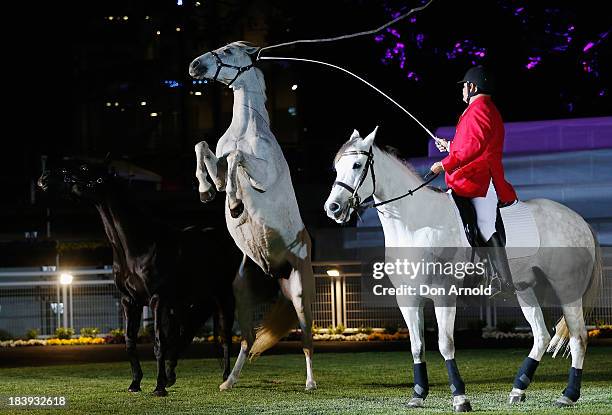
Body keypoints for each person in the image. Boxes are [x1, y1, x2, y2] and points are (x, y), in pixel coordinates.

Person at [430, 65, 518, 297]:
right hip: (469, 179)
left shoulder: (480, 109)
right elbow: (469, 144)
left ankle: (503, 280)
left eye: (464, 87)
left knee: (486, 225)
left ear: (472, 87)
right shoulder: (479, 109)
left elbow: (474, 147)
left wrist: (444, 163)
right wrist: (449, 146)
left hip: (482, 180)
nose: (461, 91)